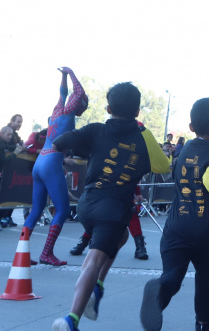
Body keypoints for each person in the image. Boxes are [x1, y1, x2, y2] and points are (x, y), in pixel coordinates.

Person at [50, 82, 169, 331]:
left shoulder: (95, 130)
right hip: (112, 210)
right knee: (94, 260)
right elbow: (163, 166)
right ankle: (71, 319)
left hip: (87, 204)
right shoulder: (142, 138)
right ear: (137, 112)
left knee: (122, 236)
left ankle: (98, 288)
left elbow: (60, 142)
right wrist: (142, 130)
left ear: (107, 108)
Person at [140, 98, 209, 331]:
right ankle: (203, 324)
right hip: (204, 228)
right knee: (205, 271)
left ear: (191, 127)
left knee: (173, 274)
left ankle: (159, 293)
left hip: (175, 226)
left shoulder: (184, 149)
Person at [23, 67, 88, 266]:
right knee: (62, 209)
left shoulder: (58, 109)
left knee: (36, 209)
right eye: (84, 104)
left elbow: (64, 93)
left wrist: (64, 77)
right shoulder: (68, 113)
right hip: (52, 161)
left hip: (42, 159)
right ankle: (47, 253)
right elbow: (78, 93)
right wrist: (71, 73)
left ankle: (22, 252)